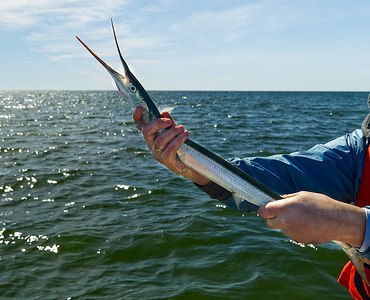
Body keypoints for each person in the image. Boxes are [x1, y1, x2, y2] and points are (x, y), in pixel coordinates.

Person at [132, 95, 370, 300]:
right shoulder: (357, 149)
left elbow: (349, 223)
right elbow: (279, 174)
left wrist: (352, 225)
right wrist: (192, 165)